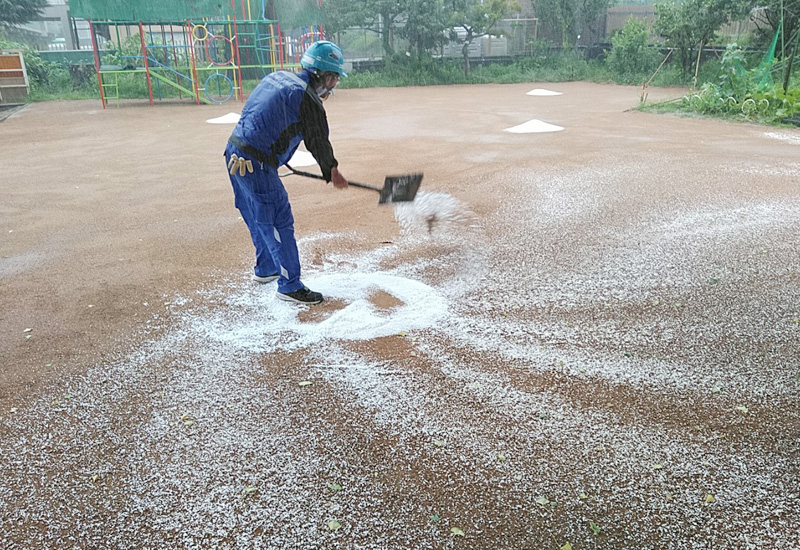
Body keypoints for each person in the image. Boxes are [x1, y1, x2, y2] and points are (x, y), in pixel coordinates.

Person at [224, 41, 349, 305]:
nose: (333, 85)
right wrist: (332, 170)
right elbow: (318, 140)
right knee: (279, 219)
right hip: (256, 164)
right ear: (323, 75)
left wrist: (271, 154)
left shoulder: (276, 77)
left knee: (257, 216)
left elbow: (257, 115)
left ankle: (266, 268)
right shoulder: (308, 97)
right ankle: (290, 285)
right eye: (334, 78)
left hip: (234, 153)